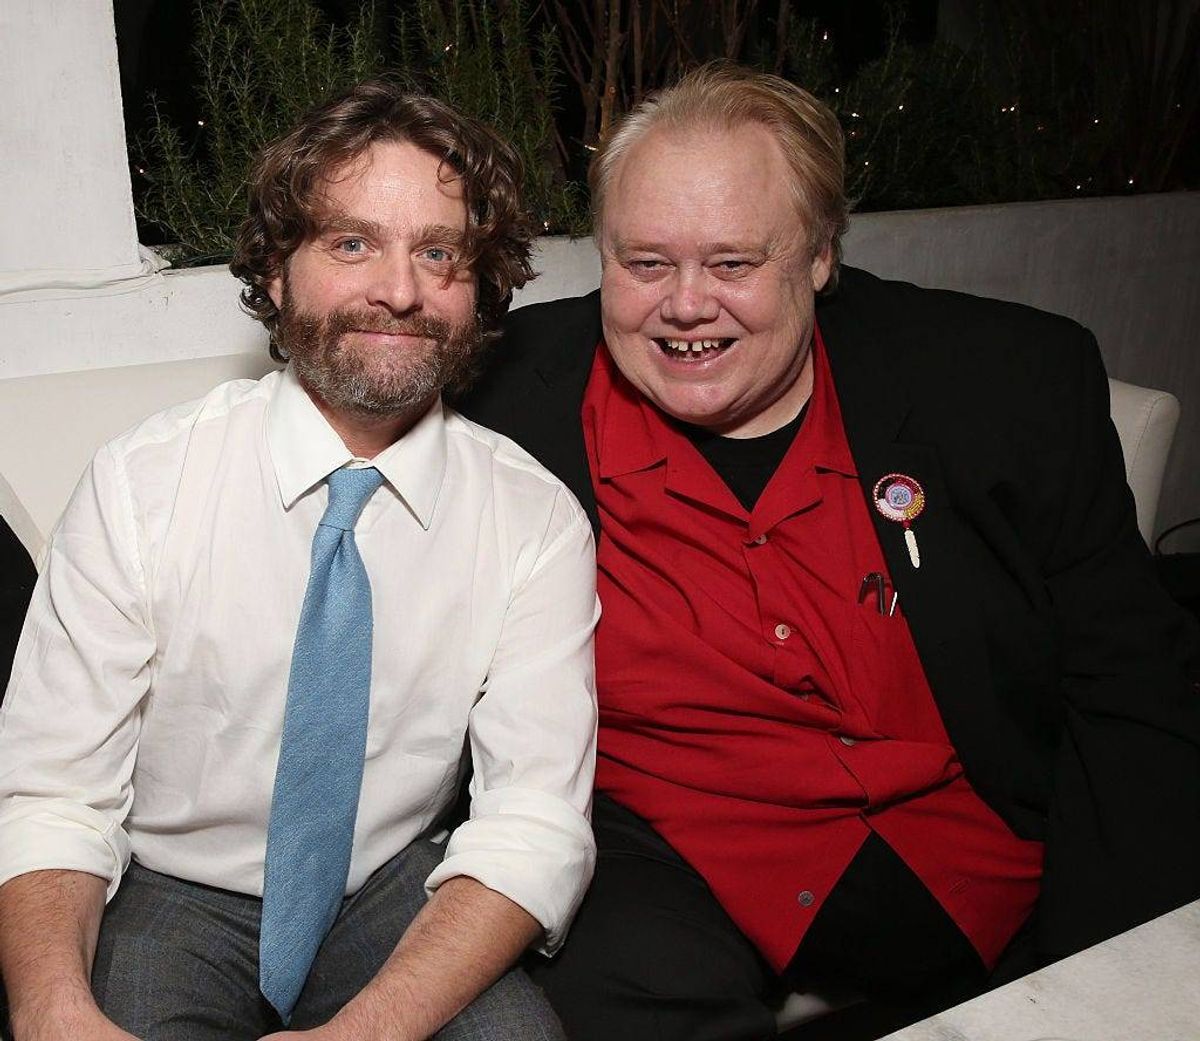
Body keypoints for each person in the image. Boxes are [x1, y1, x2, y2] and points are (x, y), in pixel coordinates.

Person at [458, 63, 1200, 1040]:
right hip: (683, 875)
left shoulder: (1006, 388)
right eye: (644, 264)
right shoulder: (502, 397)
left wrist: (1111, 978)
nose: (686, 305)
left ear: (817, 254)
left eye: (732, 264)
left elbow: (1132, 691)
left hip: (979, 863)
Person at [0, 81, 599, 1041]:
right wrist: (51, 1010)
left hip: (391, 886)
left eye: (438, 252)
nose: (399, 289)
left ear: (481, 284)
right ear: (277, 270)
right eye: (352, 243)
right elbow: (55, 789)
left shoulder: (533, 521)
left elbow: (533, 822)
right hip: (176, 891)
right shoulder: (141, 486)